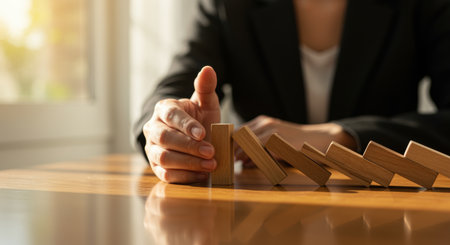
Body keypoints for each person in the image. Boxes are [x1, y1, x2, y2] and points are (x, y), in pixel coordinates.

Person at [134, 0, 450, 183]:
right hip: (263, 211)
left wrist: (337, 137)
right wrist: (170, 129)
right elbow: (170, 92)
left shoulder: (425, 6)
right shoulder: (228, 5)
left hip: (385, 209)